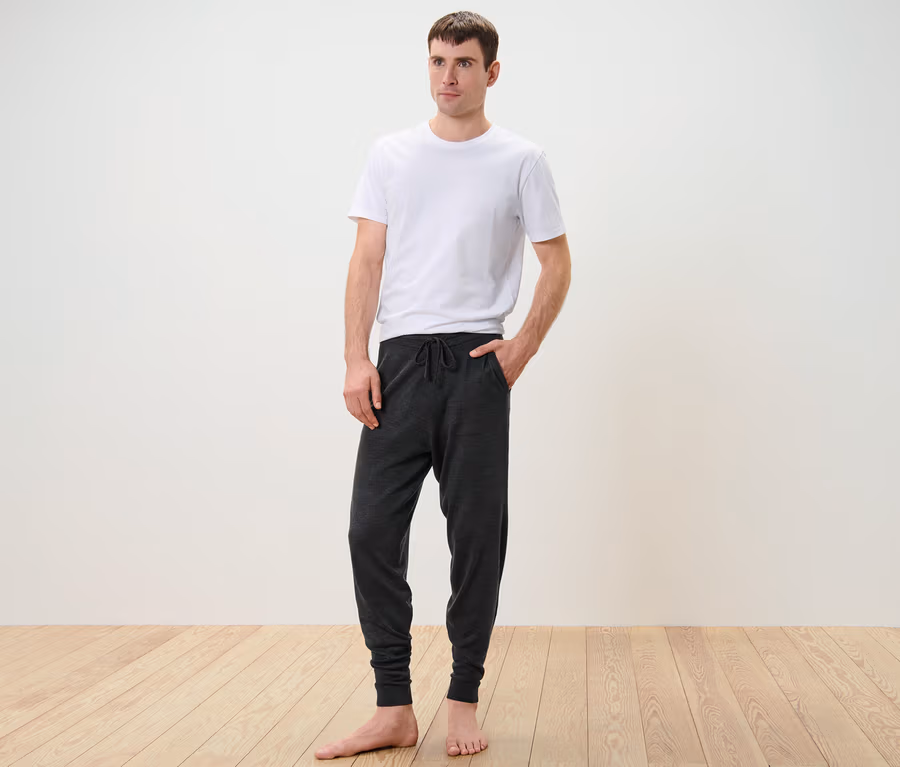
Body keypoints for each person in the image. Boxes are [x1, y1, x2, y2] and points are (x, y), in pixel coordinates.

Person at [315, 10, 571, 761]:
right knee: (370, 531)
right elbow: (366, 259)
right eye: (437, 61)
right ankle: (393, 706)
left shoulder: (521, 159)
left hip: (474, 364)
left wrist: (519, 349)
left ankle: (462, 698)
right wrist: (355, 358)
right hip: (397, 364)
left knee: (477, 539)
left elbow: (557, 263)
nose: (447, 76)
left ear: (491, 72)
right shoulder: (391, 154)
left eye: (462, 62)